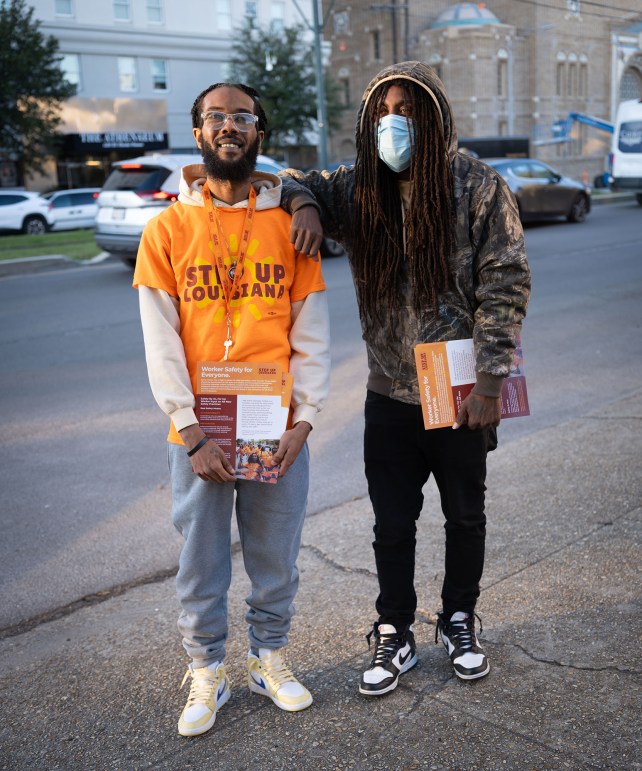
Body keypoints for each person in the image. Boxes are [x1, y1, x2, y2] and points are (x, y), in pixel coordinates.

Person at [279, 62, 531, 693]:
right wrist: (307, 202)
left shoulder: (475, 184)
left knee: (465, 516)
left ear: (437, 113)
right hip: (388, 392)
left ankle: (459, 617)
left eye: (411, 109)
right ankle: (395, 631)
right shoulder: (359, 187)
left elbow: (505, 280)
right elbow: (284, 175)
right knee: (392, 523)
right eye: (385, 110)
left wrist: (492, 384)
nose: (396, 120)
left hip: (459, 391)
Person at [133, 81, 331, 736]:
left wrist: (305, 420)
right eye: (215, 116)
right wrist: (190, 432)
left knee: (276, 547)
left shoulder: (287, 226)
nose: (229, 125)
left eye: (242, 117)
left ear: (258, 134)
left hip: (274, 420)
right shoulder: (166, 230)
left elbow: (312, 331)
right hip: (201, 424)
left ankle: (268, 656)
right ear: (197, 134)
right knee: (201, 554)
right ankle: (206, 668)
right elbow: (160, 342)